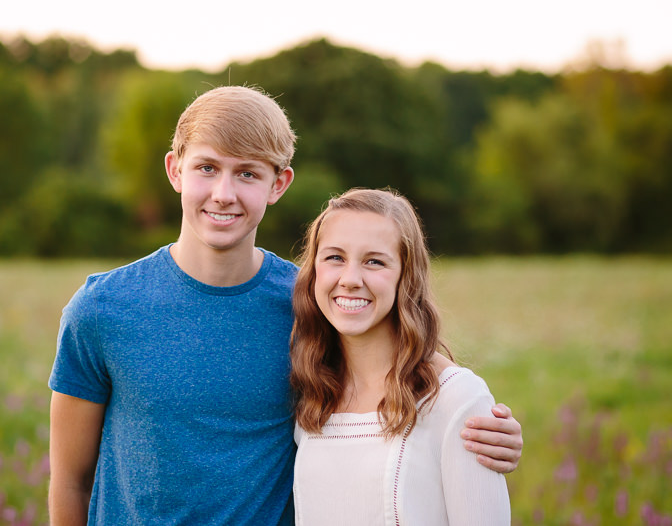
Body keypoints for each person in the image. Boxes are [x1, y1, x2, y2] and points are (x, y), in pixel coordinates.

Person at [48, 86, 521, 525]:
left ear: (278, 184)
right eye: (207, 168)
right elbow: (71, 481)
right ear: (175, 170)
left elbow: (397, 349)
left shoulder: (312, 304)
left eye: (248, 173)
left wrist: (479, 415)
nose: (224, 194)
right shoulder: (102, 310)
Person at [290, 188, 511, 525]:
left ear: (405, 276)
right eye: (335, 257)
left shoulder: (456, 399)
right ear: (314, 270)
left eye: (374, 261)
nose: (350, 280)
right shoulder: (311, 392)